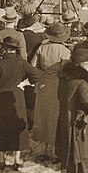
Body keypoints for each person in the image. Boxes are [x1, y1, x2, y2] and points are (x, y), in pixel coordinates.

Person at [0, 37, 40, 170]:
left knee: (1, 128)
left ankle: (2, 160)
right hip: (17, 98)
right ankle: (17, 159)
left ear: (5, 49)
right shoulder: (22, 63)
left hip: (1, 99)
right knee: (17, 127)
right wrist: (25, 83)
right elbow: (37, 75)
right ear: (15, 50)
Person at [55, 48, 88, 173]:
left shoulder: (64, 78)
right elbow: (87, 101)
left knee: (67, 153)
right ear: (79, 64)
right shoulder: (82, 81)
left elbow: (59, 96)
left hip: (65, 119)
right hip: (79, 121)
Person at [30, 22, 71, 162]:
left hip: (43, 83)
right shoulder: (65, 51)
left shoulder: (42, 47)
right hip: (57, 84)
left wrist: (42, 74)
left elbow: (32, 66)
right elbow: (66, 71)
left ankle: (42, 149)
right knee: (55, 117)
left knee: (41, 115)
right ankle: (53, 151)